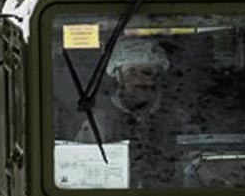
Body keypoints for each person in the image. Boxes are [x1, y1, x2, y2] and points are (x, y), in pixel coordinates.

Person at [74, 37, 181, 186]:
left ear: (157, 77)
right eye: (130, 72)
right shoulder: (99, 123)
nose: (139, 79)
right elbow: (82, 170)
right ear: (119, 78)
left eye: (147, 72)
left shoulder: (177, 118)